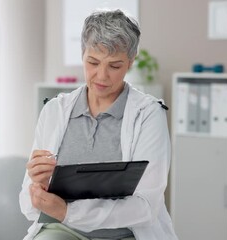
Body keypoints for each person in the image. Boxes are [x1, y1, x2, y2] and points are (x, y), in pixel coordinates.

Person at [19, 9, 178, 240]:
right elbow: (28, 205)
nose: (102, 76)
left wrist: (68, 211)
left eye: (114, 66)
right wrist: (38, 186)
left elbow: (145, 205)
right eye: (93, 62)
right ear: (83, 54)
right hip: (62, 229)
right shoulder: (55, 110)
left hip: (124, 234)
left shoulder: (148, 114)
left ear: (130, 62)